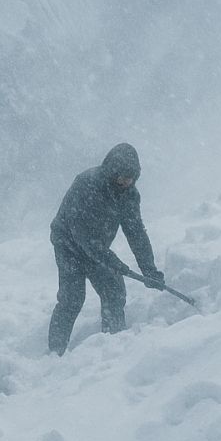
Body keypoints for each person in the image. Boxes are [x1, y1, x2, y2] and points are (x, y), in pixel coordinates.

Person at [47, 142, 163, 355]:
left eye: (131, 178)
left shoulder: (129, 195)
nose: (126, 182)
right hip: (68, 245)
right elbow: (81, 232)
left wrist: (149, 270)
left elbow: (136, 232)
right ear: (112, 170)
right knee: (72, 299)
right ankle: (56, 352)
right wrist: (112, 261)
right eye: (122, 176)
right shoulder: (87, 184)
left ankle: (113, 345)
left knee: (114, 291)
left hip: (97, 249)